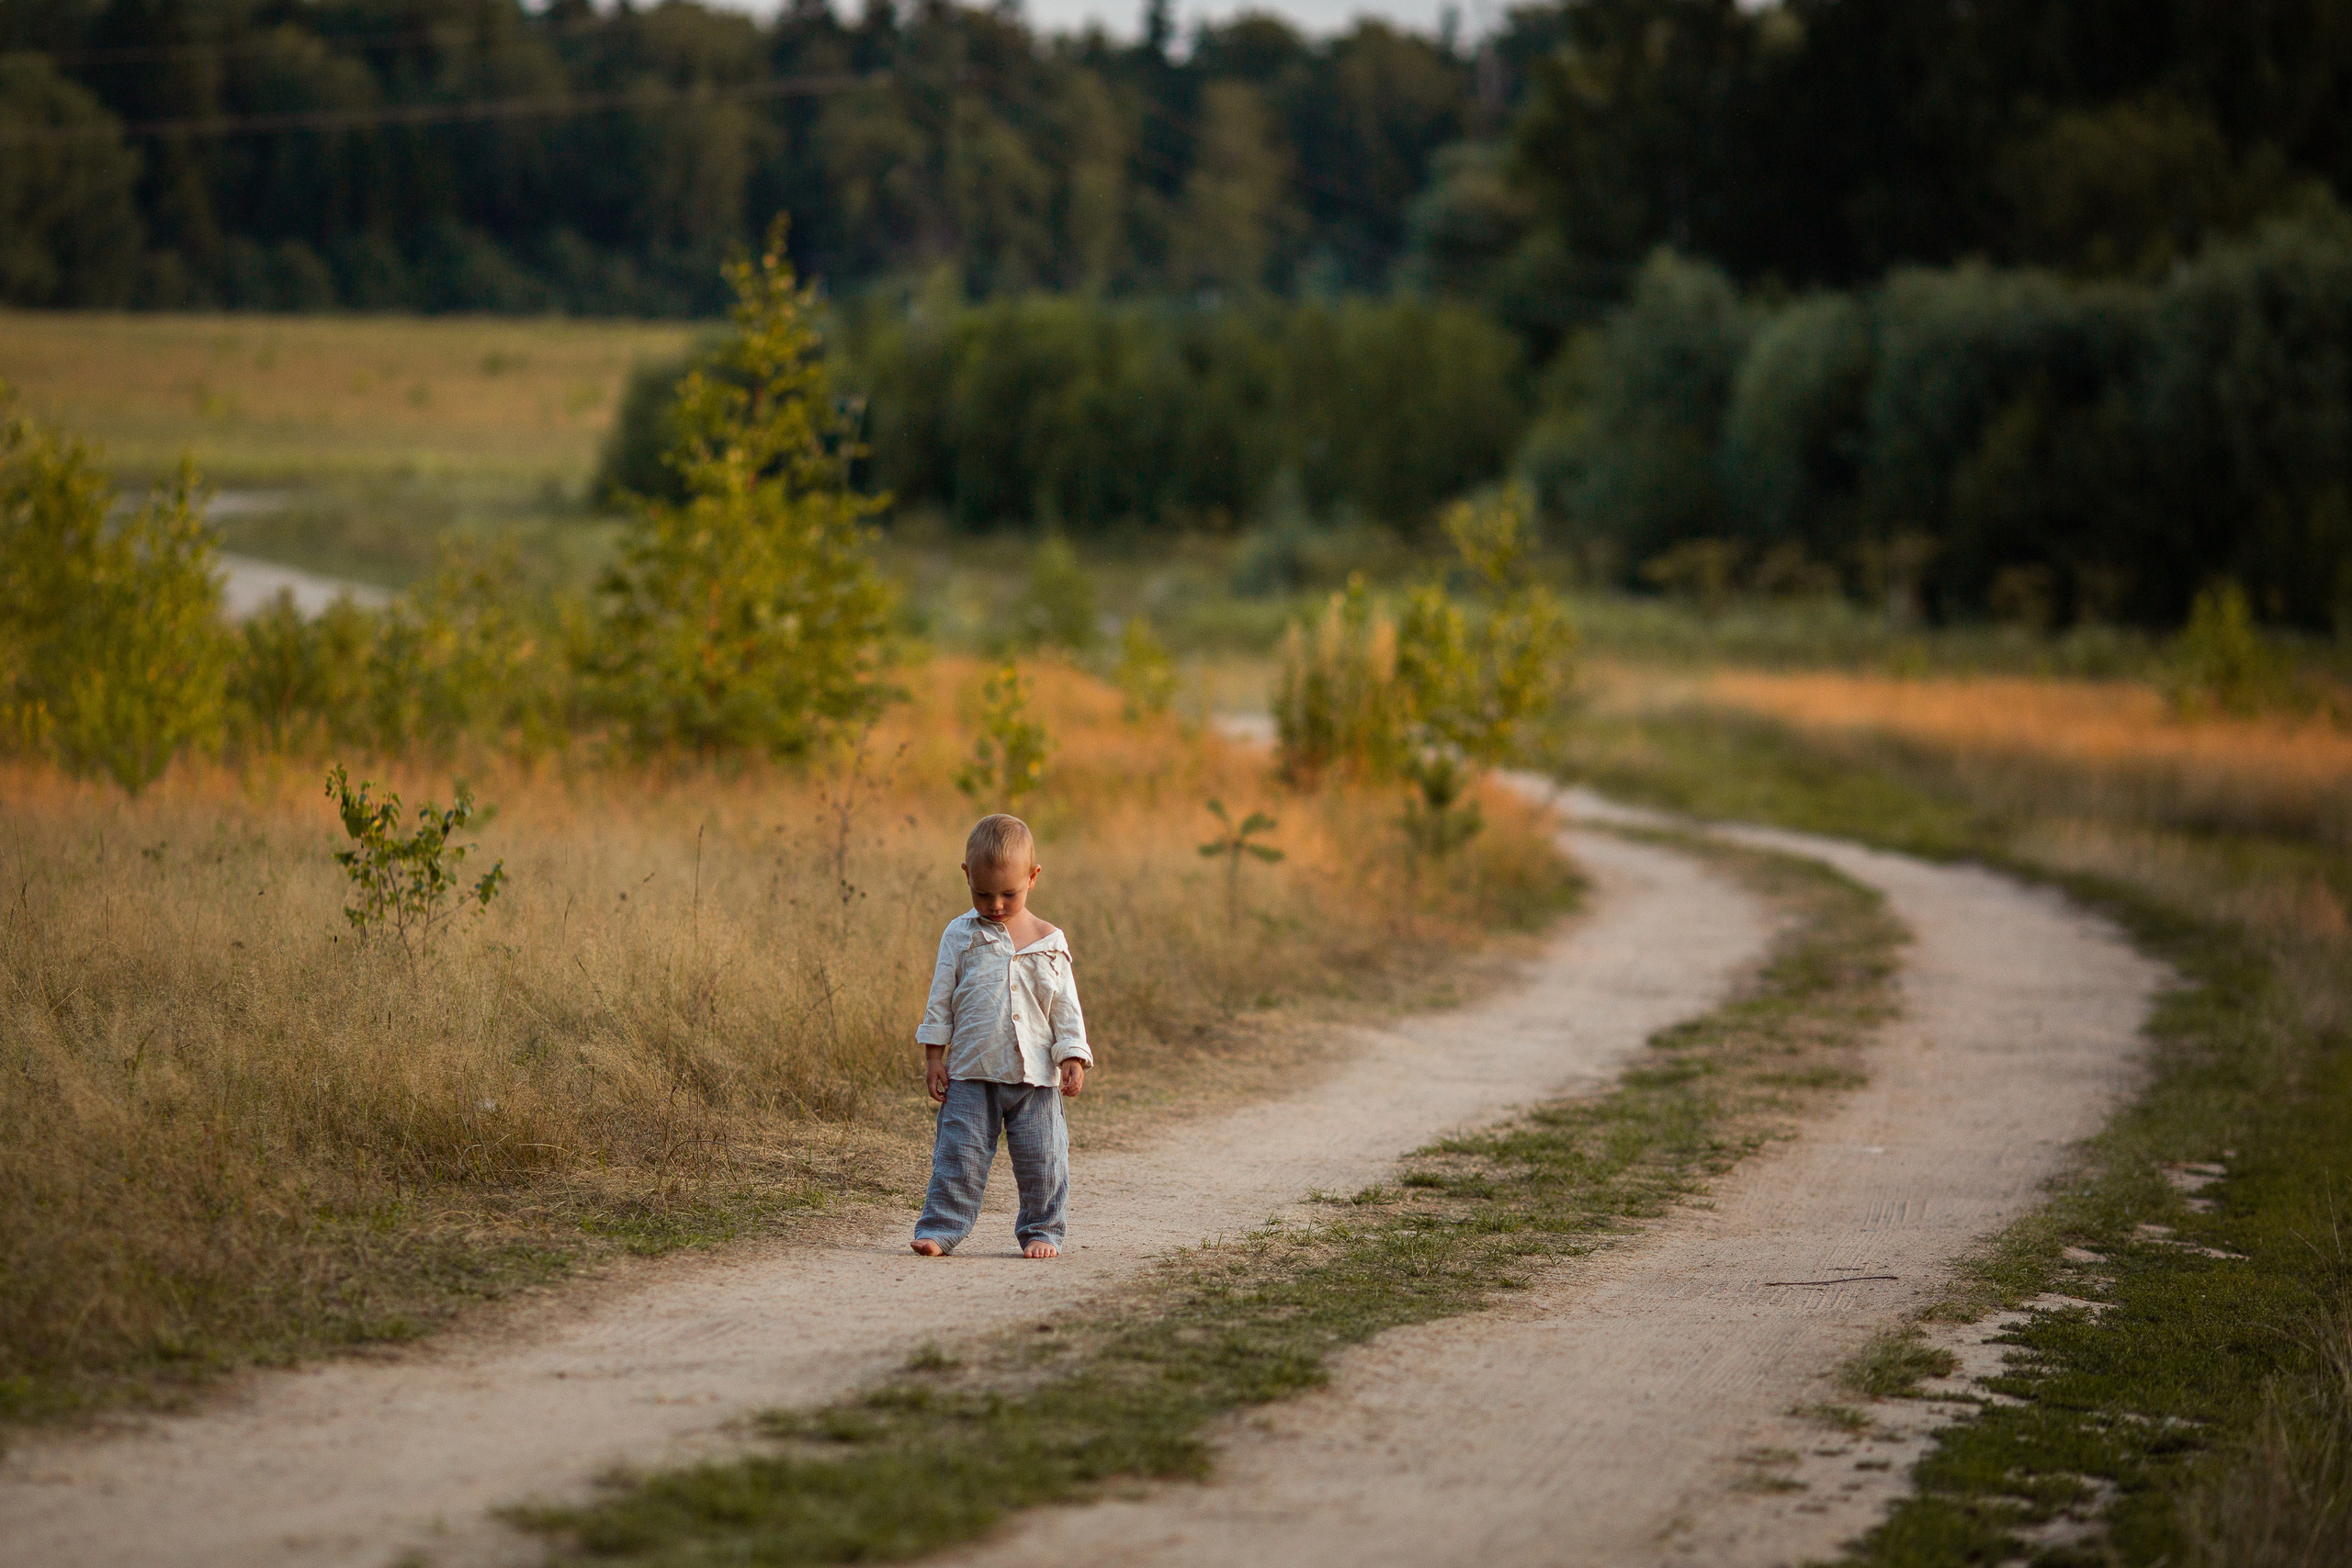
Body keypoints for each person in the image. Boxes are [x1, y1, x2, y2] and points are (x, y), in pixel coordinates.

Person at [910, 813, 1091, 1258]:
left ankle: (1042, 1230)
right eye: (982, 893)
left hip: (1036, 1080)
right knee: (958, 1157)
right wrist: (934, 1058)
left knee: (1044, 1161)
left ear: (1033, 877)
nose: (994, 905)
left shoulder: (1049, 940)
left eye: (1009, 893)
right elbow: (941, 999)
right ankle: (940, 1229)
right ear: (967, 876)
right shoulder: (959, 935)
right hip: (971, 1072)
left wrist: (1072, 1055)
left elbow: (1065, 1007)